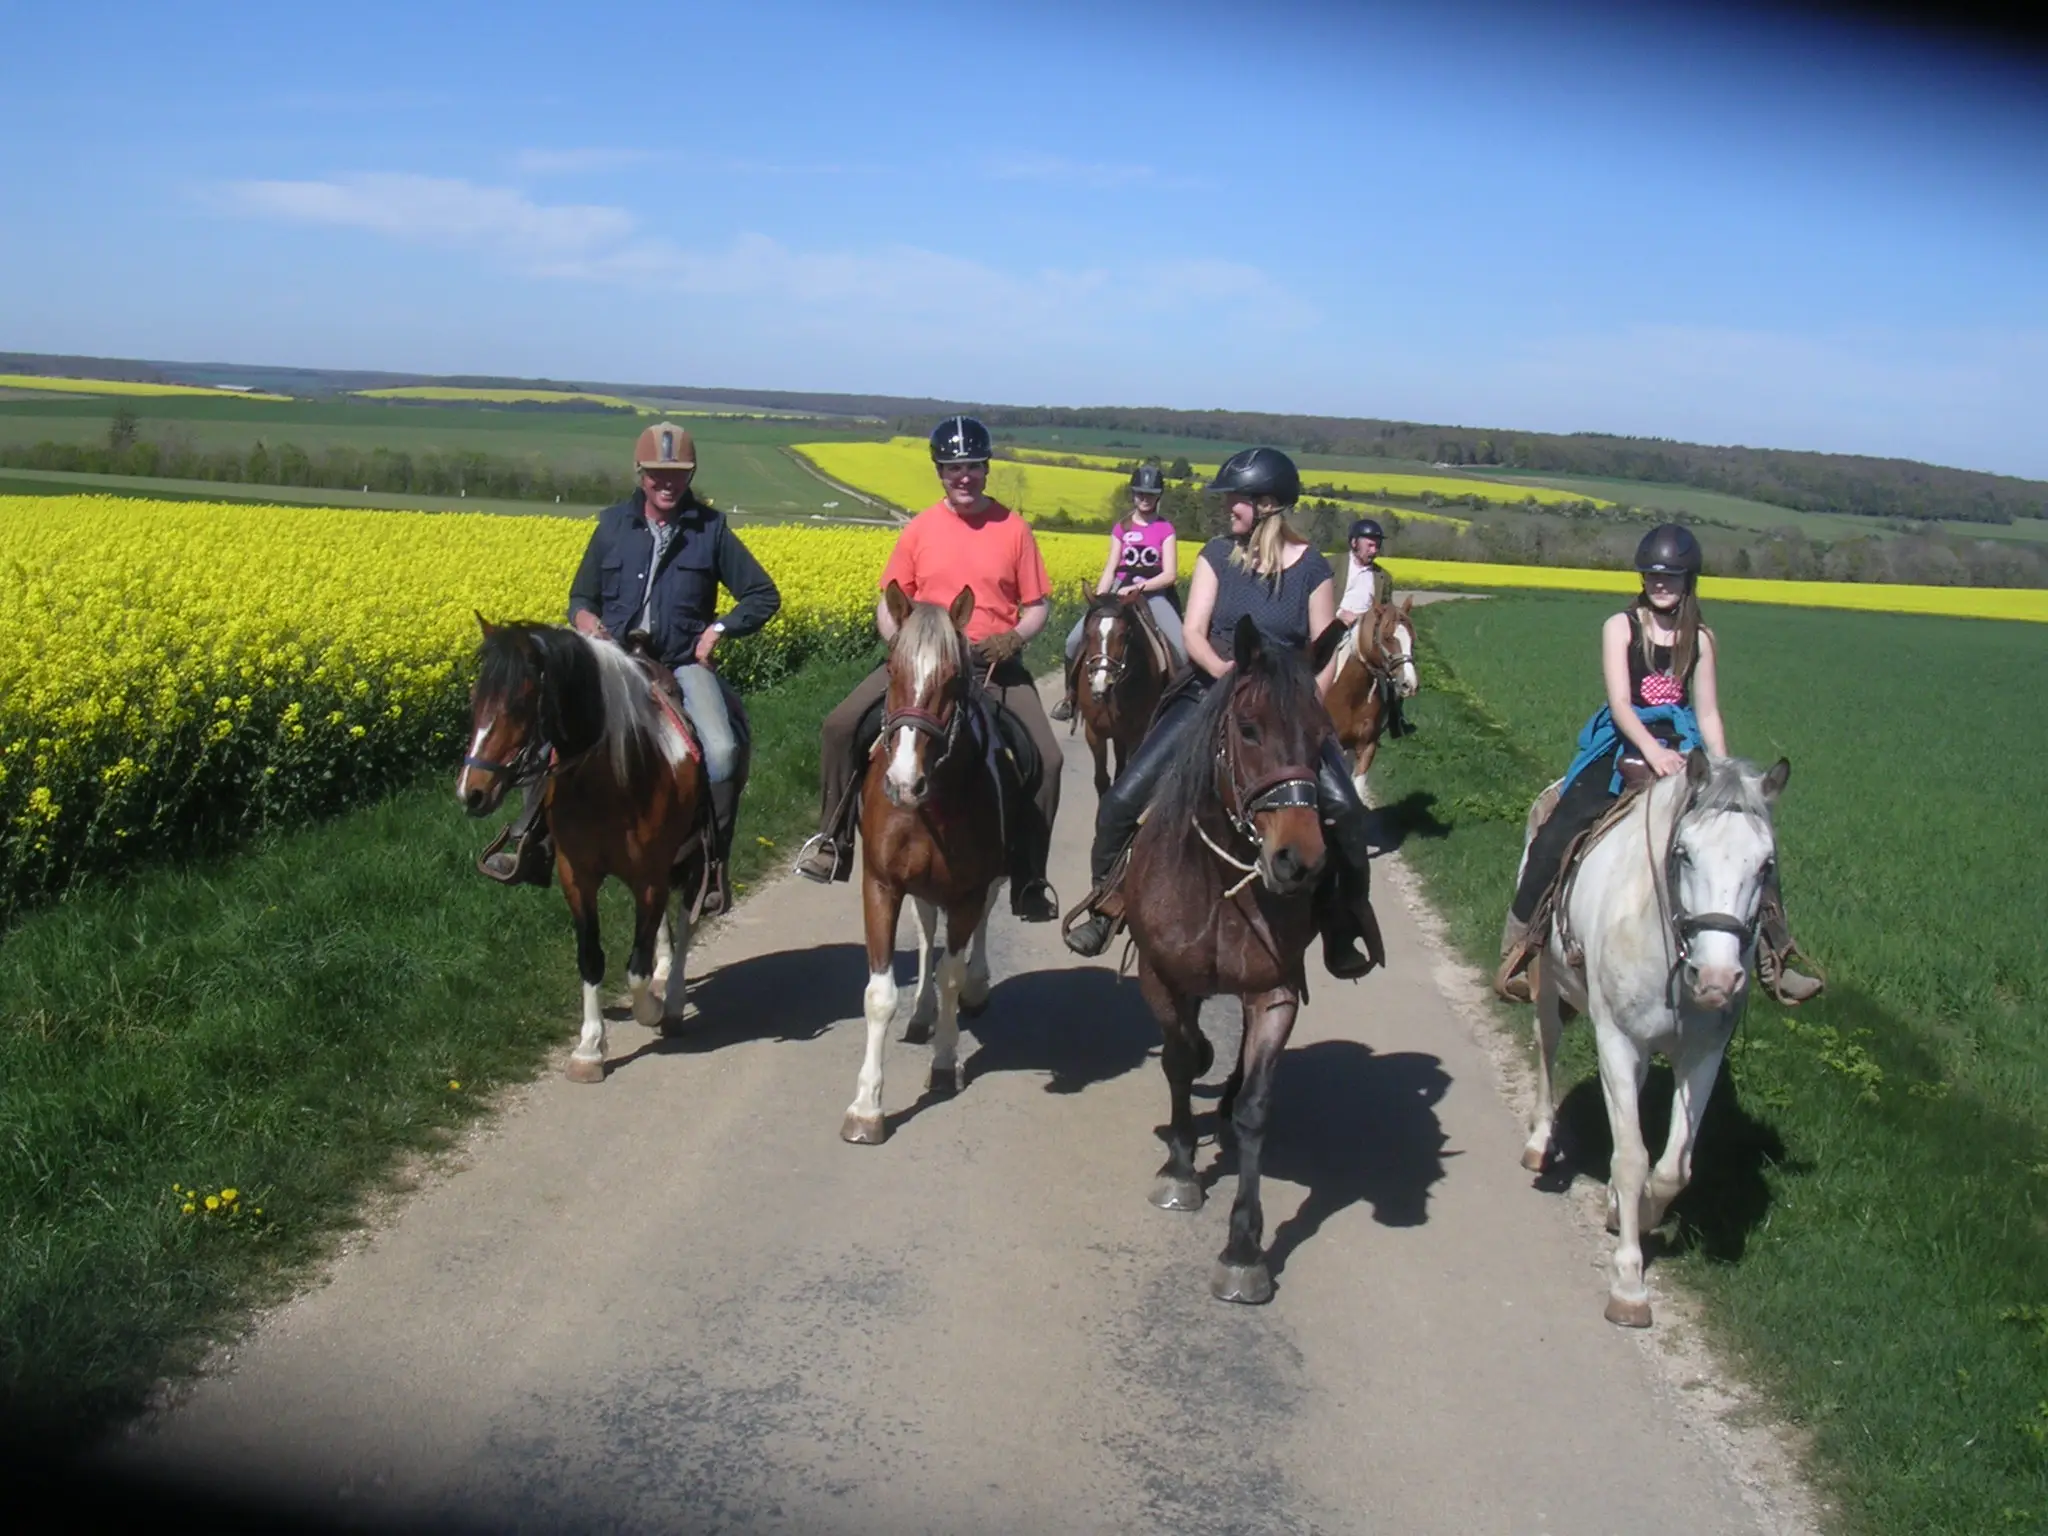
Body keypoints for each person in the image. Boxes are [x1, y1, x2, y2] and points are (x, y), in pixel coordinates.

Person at [1062, 446, 1383, 979]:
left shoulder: (1312, 568)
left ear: (1266, 504)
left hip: (1286, 709)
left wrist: (1298, 702)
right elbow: (1193, 631)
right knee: (1122, 800)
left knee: (1346, 811)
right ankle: (1108, 902)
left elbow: (1323, 652)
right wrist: (1226, 674)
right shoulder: (1217, 554)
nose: (1226, 506)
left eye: (1235, 498)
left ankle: (1342, 921)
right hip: (1210, 692)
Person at [1493, 524, 1823, 1006]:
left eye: (1670, 576)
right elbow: (1620, 703)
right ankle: (1519, 949)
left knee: (1747, 842)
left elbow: (1707, 713)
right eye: (1652, 575)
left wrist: (1721, 772)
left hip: (1686, 749)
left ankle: (1776, 957)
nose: (1660, 583)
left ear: (1689, 580)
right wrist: (1653, 752)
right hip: (1624, 744)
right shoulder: (1620, 627)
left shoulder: (1702, 639)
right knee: (1559, 828)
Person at [477, 421, 780, 919]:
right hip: (613, 663)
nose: (667, 483)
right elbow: (581, 597)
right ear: (640, 473)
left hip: (680, 663)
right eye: (657, 473)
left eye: (677, 474)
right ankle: (531, 843)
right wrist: (586, 622)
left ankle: (710, 864)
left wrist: (718, 630)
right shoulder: (613, 526)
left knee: (723, 751)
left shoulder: (711, 530)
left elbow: (763, 595)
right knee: (551, 736)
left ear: (690, 475)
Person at [794, 415, 1063, 922]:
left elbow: (1038, 606)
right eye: (952, 468)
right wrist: (900, 643)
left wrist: (1014, 638)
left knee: (1047, 760)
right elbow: (889, 600)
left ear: (986, 469)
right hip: (921, 665)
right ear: (940, 472)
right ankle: (831, 841)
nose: (964, 477)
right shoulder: (920, 529)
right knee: (839, 727)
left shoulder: (1014, 529)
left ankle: (1029, 878)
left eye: (973, 467)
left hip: (989, 665)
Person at [1050, 463, 1185, 722]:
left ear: (1159, 496)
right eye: (1140, 493)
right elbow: (1111, 568)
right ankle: (1070, 697)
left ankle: (1176, 704)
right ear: (1133, 494)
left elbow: (1170, 574)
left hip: (1153, 594)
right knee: (1072, 640)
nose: (1144, 498)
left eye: (1150, 493)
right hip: (1118, 591)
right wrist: (1100, 598)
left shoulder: (1165, 529)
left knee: (1182, 647)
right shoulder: (1121, 528)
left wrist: (1137, 588)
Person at [1334, 514, 1413, 738]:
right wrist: (1339, 614)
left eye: (1377, 545)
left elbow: (1386, 609)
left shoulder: (1383, 577)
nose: (1374, 550)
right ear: (1354, 543)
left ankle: (1396, 718)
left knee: (1393, 667)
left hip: (1366, 634)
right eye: (1369, 545)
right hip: (1334, 626)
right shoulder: (1332, 565)